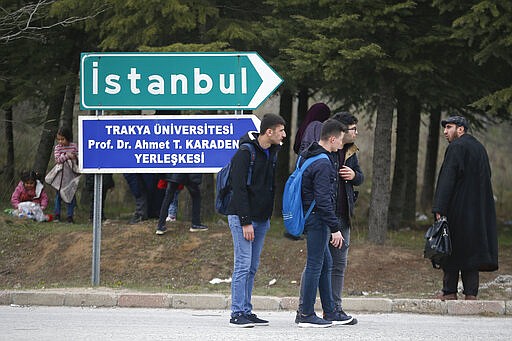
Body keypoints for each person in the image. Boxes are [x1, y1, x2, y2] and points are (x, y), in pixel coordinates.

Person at [227, 113, 286, 327]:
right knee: (242, 265)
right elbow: (239, 189)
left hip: (261, 219)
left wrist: (265, 217)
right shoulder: (245, 153)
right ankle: (236, 313)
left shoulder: (272, 152)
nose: (284, 135)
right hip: (243, 218)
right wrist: (245, 221)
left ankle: (246, 309)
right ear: (268, 132)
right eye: (281, 131)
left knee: (252, 266)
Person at [432, 115, 498, 301]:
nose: (445, 131)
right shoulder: (479, 148)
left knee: (450, 247)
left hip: (457, 209)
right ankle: (471, 294)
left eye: (449, 127)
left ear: (460, 129)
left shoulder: (456, 147)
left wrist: (439, 208)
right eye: (445, 128)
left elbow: (448, 179)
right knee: (471, 251)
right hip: (478, 210)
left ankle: (449, 291)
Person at [295, 119, 349, 328]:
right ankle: (306, 314)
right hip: (317, 219)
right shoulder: (323, 162)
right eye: (341, 141)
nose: (342, 145)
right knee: (315, 265)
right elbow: (324, 199)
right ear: (332, 139)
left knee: (325, 263)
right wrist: (334, 228)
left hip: (312, 216)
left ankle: (330, 311)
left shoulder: (308, 155)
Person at [329, 111, 364, 323]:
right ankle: (305, 308)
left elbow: (360, 176)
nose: (356, 133)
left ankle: (335, 307)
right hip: (326, 216)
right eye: (353, 129)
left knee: (339, 264)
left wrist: (354, 176)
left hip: (344, 215)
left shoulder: (352, 152)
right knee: (318, 263)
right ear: (342, 130)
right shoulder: (327, 149)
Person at [287, 102, 331, 240]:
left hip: (301, 166)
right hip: (312, 169)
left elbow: (296, 147)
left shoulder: (305, 126)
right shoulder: (317, 127)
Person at [53, 126, 78, 223]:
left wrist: (74, 157)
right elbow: (57, 160)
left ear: (68, 137)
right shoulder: (58, 148)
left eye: (62, 139)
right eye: (58, 139)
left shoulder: (74, 146)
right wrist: (67, 155)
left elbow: (77, 158)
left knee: (71, 195)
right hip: (60, 176)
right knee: (59, 196)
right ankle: (57, 215)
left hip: (71, 176)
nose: (60, 142)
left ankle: (70, 216)